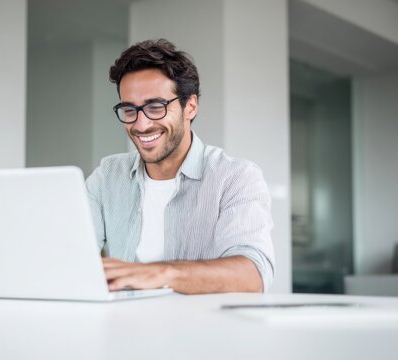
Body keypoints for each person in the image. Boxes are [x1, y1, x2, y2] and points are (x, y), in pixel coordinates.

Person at [86, 39, 274, 294]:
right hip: (123, 328)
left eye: (155, 107)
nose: (141, 125)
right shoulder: (107, 176)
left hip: (201, 330)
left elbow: (254, 275)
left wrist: (161, 273)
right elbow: (68, 255)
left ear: (191, 106)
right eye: (130, 110)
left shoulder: (235, 177)